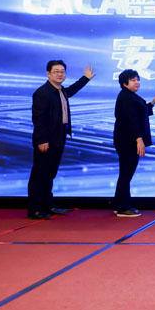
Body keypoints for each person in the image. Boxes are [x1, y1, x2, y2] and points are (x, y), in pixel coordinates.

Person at [28, 60, 94, 219]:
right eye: (56, 71)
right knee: (39, 174)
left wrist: (85, 78)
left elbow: (72, 90)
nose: (60, 74)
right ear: (48, 73)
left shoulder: (61, 90)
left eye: (62, 71)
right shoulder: (42, 93)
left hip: (59, 136)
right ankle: (35, 209)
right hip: (46, 140)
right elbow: (38, 119)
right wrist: (42, 140)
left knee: (50, 173)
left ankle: (48, 205)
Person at [113, 69, 155, 217]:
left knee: (126, 173)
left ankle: (120, 204)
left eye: (138, 79)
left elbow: (141, 111)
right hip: (127, 141)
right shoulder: (126, 98)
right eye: (133, 80)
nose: (137, 82)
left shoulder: (130, 96)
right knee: (126, 173)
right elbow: (130, 121)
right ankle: (123, 207)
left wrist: (153, 102)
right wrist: (138, 139)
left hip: (129, 140)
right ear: (124, 83)